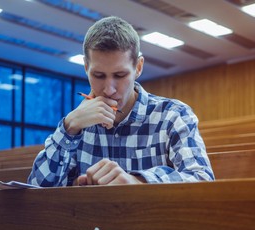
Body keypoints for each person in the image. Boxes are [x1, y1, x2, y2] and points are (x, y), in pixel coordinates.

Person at [28, 16, 214, 187]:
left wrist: (137, 182)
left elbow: (202, 179)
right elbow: (37, 188)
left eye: (120, 75)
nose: (109, 89)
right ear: (86, 67)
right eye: (98, 75)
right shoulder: (77, 126)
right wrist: (68, 128)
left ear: (138, 67)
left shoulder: (173, 115)